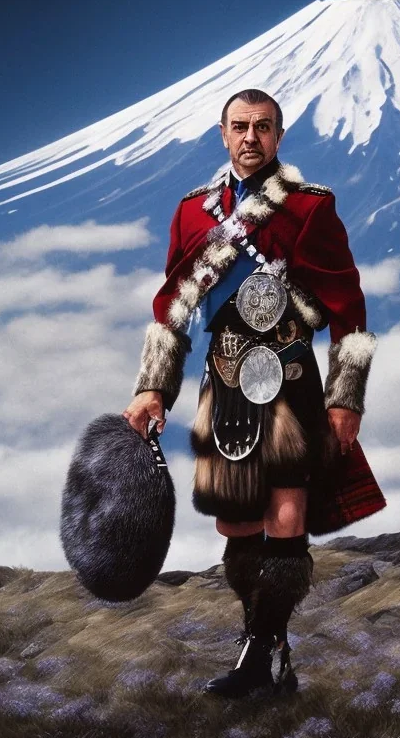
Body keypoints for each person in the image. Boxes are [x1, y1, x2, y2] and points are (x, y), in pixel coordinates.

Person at [122, 89, 385, 698]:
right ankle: (264, 641)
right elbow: (173, 307)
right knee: (236, 522)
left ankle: (257, 658)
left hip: (289, 368)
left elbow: (348, 304)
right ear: (222, 134)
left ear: (279, 136)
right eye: (239, 127)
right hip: (226, 373)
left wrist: (346, 398)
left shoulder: (309, 209)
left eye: (262, 127)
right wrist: (152, 390)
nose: (250, 138)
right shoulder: (193, 213)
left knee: (284, 509)